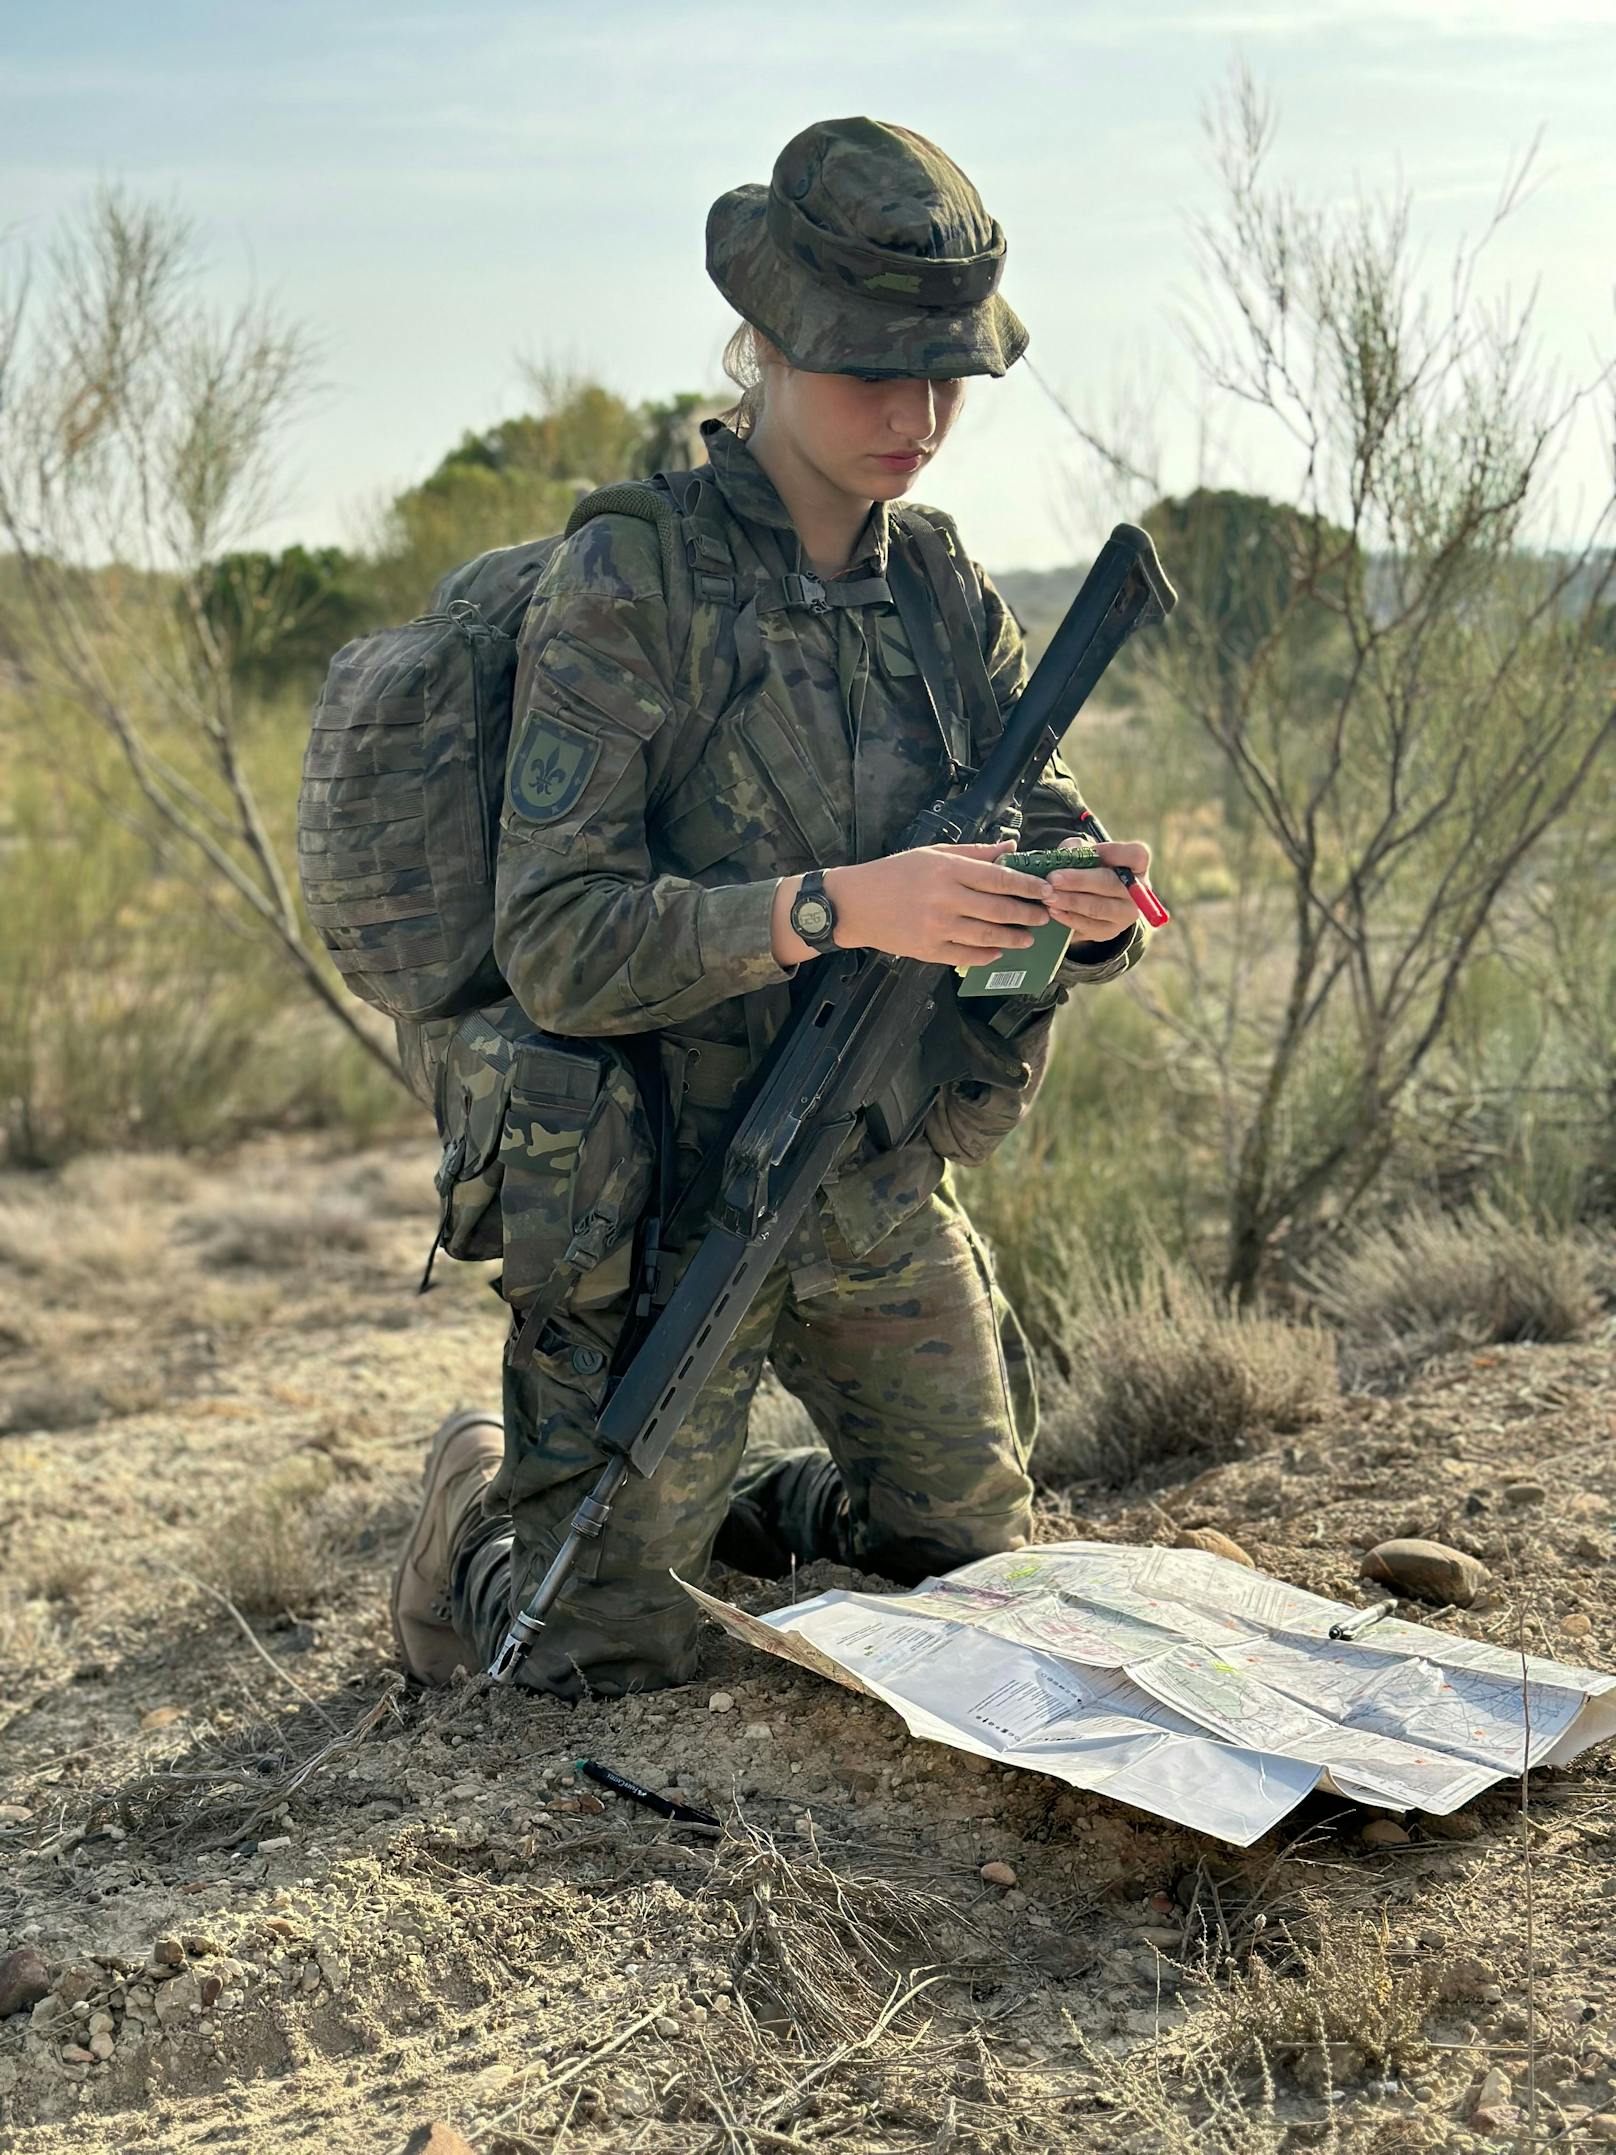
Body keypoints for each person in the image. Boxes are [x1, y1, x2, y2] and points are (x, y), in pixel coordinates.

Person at [390, 115, 1154, 1699]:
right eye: (874, 368)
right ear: (766, 349)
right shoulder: (633, 577)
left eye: (946, 374)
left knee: (970, 1584)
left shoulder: (939, 586)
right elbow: (560, 939)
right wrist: (837, 906)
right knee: (600, 1657)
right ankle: (476, 1519)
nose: (917, 414)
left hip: (866, 1170)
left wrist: (1084, 914)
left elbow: (1051, 839)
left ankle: (745, 1510)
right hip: (663, 1189)